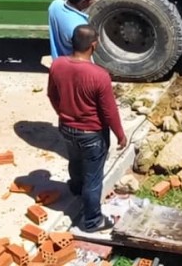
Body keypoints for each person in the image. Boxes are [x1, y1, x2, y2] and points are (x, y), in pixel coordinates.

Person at [47, 24, 127, 238]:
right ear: (93, 45)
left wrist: (63, 113)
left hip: (66, 127)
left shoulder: (57, 65)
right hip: (92, 134)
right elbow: (109, 111)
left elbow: (52, 95)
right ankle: (92, 221)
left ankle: (75, 187)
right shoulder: (99, 75)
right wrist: (120, 134)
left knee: (75, 160)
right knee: (94, 179)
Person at [48, 0, 96, 65]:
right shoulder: (80, 27)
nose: (94, 0)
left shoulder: (54, 5)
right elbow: (85, 57)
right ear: (83, 1)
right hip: (75, 69)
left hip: (58, 65)